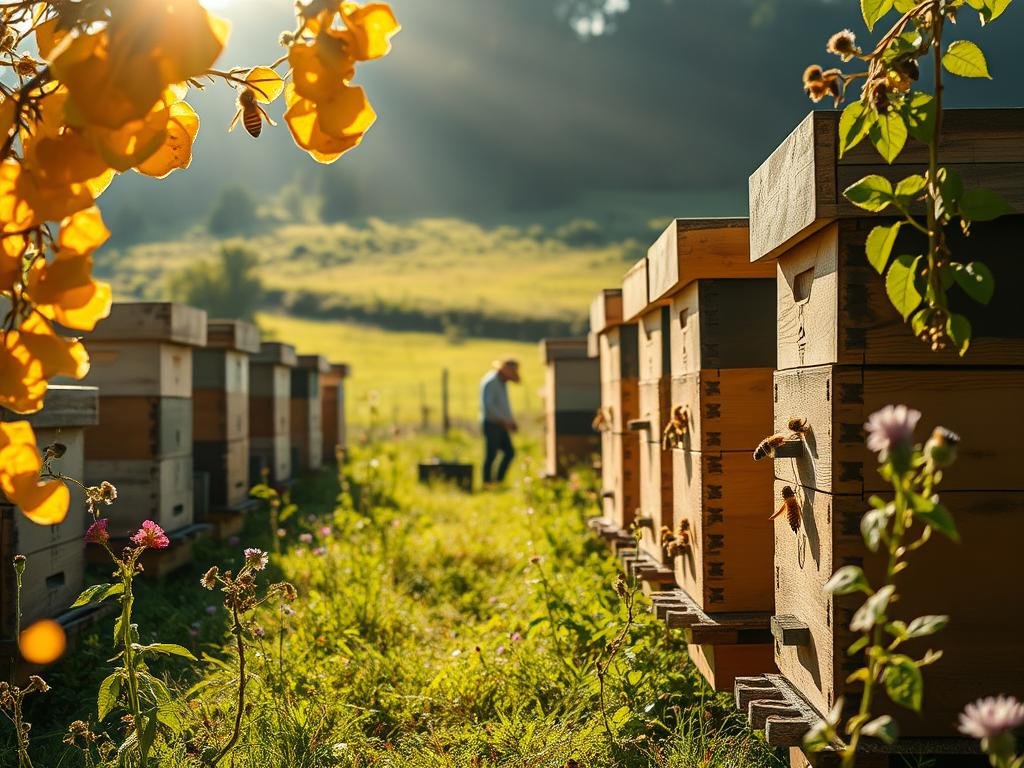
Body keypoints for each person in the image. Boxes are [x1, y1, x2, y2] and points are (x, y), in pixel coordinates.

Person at [480, 358, 520, 484]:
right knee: (491, 455)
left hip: (500, 425)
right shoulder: (492, 382)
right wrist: (505, 421)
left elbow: (503, 406)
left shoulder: (501, 383)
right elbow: (489, 407)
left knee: (509, 453)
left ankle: (497, 481)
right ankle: (488, 483)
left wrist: (510, 420)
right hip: (492, 424)